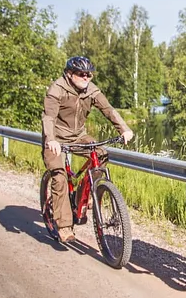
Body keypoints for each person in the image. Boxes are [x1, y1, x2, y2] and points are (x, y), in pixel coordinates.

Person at [41, 56, 134, 243]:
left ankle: (88, 195)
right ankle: (65, 226)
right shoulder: (57, 89)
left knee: (101, 154)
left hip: (78, 136)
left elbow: (109, 110)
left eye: (89, 74)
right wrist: (50, 139)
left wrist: (124, 129)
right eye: (81, 74)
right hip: (56, 138)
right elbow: (48, 118)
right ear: (69, 74)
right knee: (59, 177)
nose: (86, 77)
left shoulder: (91, 90)